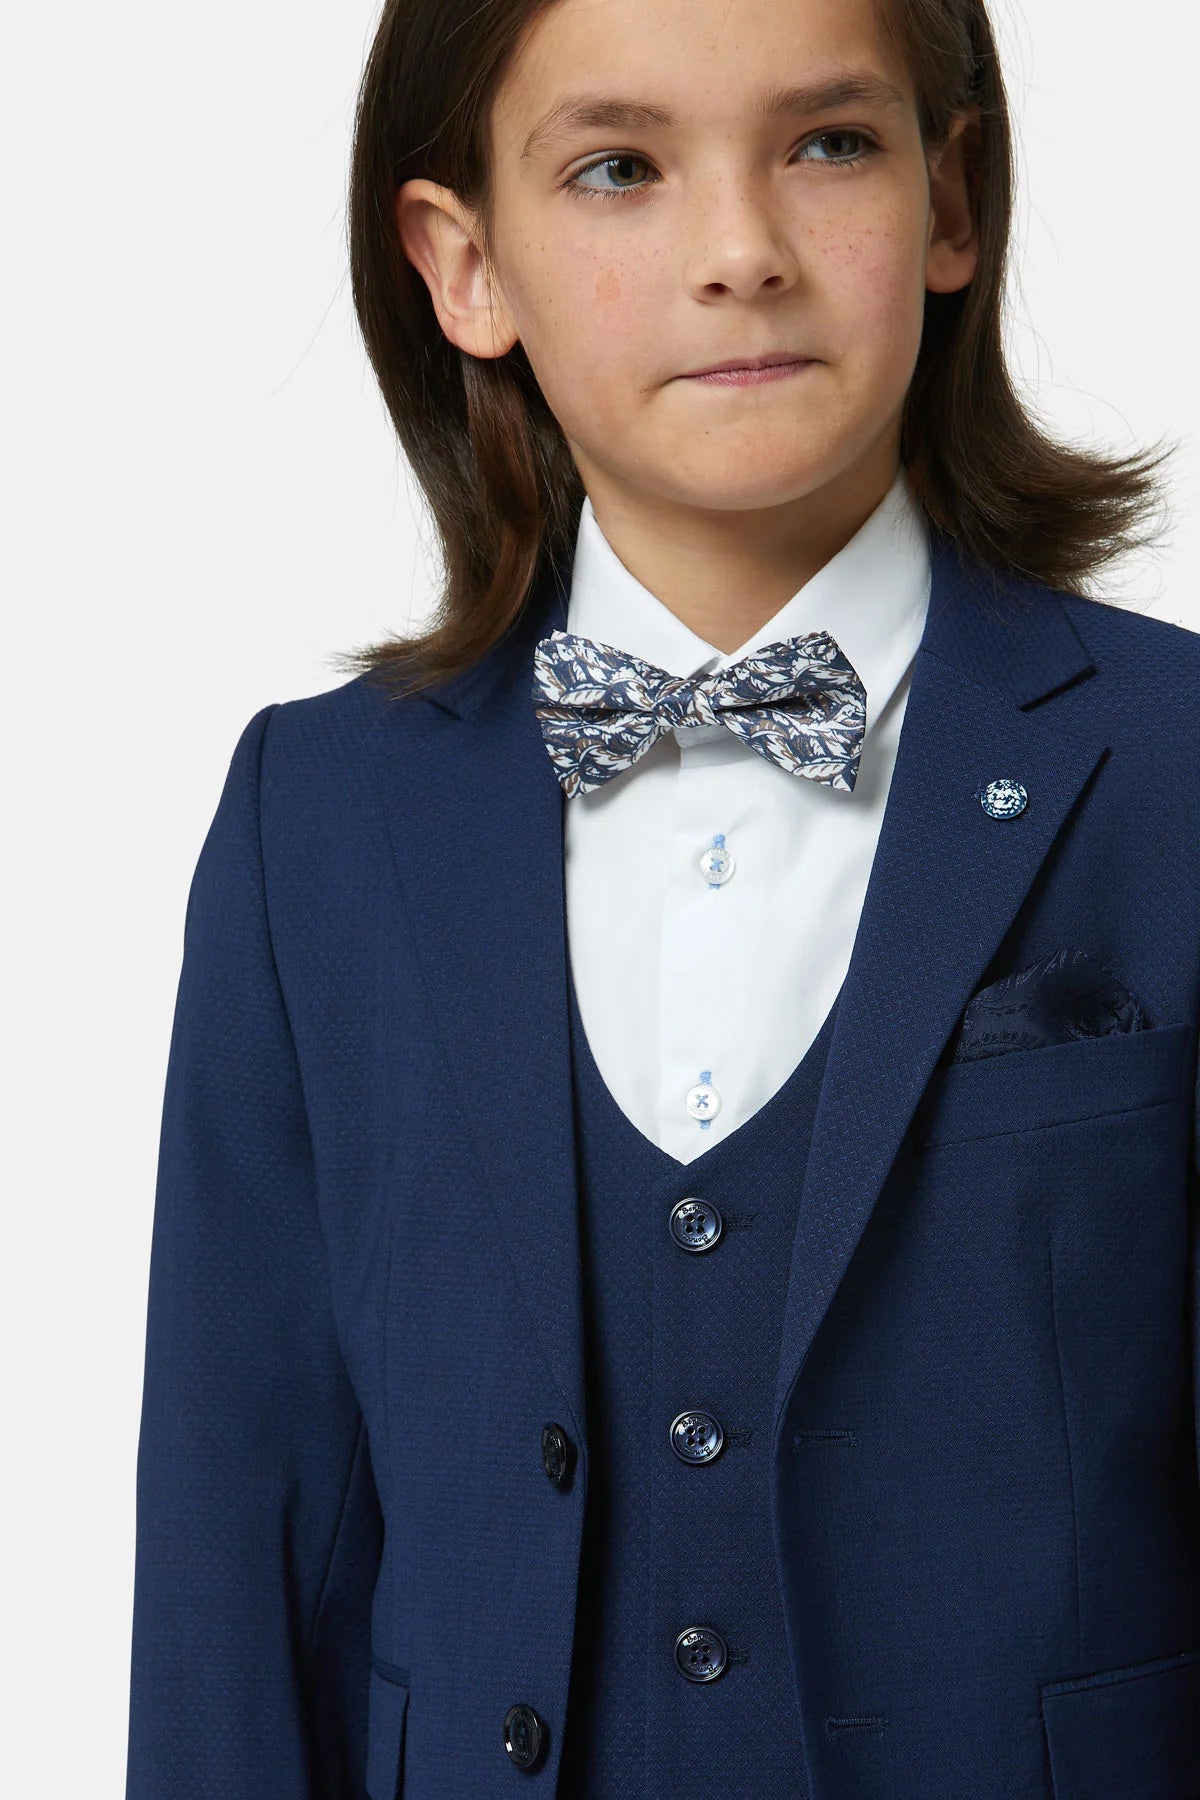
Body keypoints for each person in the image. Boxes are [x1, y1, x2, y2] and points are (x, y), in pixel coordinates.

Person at [125, 0, 1200, 1795]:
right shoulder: (314, 821)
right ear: (464, 265)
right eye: (619, 168)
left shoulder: (1173, 771)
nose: (740, 252)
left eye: (829, 144)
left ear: (950, 201)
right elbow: (237, 1567)